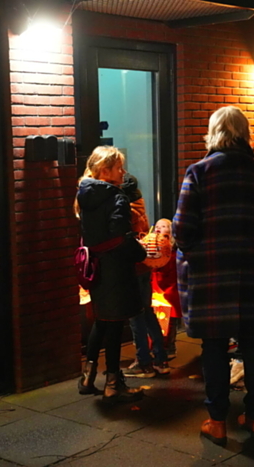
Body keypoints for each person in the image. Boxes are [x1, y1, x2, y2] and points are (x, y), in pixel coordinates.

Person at [173, 106, 254, 445]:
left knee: (214, 346)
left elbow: (182, 230)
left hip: (212, 277)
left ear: (213, 134)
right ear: (245, 134)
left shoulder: (198, 173)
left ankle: (217, 421)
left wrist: (199, 256)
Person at [75, 146, 146, 404]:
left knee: (102, 320)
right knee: (114, 325)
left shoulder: (86, 194)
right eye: (118, 167)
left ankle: (87, 376)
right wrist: (140, 253)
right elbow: (119, 235)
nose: (123, 172)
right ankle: (113, 384)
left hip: (97, 267)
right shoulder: (117, 197)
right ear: (105, 171)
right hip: (116, 269)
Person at [121, 174, 170, 378]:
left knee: (136, 316)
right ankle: (160, 358)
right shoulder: (139, 205)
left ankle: (144, 362)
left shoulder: (127, 211)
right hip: (144, 268)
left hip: (133, 268)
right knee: (146, 312)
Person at [150, 218, 182, 359]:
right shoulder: (152, 247)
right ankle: (158, 347)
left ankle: (170, 348)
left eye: (163, 226)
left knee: (170, 323)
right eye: (157, 226)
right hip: (156, 290)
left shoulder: (173, 252)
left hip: (169, 291)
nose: (158, 228)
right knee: (158, 322)